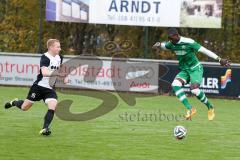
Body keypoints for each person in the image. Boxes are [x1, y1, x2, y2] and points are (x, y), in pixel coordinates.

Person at [152, 28, 230, 120]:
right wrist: (159, 45)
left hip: (195, 69)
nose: (170, 40)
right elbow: (164, 46)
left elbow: (204, 50)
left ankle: (210, 107)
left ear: (176, 36)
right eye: (169, 38)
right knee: (175, 84)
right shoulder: (172, 43)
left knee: (194, 90)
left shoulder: (188, 42)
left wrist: (219, 59)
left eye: (171, 38)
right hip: (185, 70)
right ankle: (190, 108)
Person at [4, 39, 65, 135]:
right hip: (39, 87)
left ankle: (45, 129)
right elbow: (44, 73)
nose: (60, 48)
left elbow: (59, 69)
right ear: (51, 47)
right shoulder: (45, 57)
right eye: (58, 46)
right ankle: (14, 102)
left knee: (53, 106)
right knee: (25, 107)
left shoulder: (60, 57)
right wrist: (57, 73)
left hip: (49, 89)